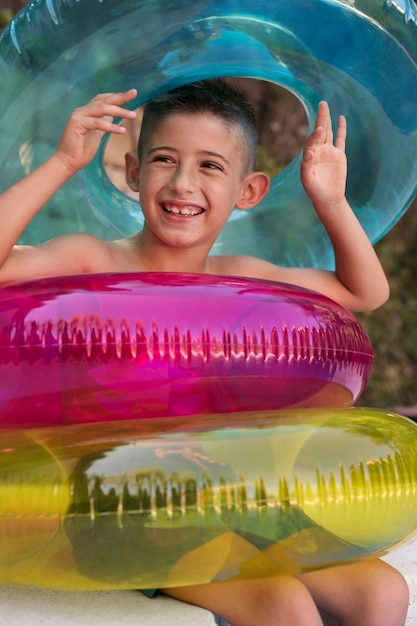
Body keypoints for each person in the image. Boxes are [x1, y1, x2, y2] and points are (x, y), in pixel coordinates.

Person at [0, 79, 407, 625]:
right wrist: (63, 163)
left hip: (229, 494)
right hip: (127, 504)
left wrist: (329, 199)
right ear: (135, 172)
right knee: (282, 606)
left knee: (382, 593)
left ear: (250, 191)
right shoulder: (91, 261)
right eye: (165, 159)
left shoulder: (242, 281)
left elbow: (366, 294)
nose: (183, 183)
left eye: (211, 165)